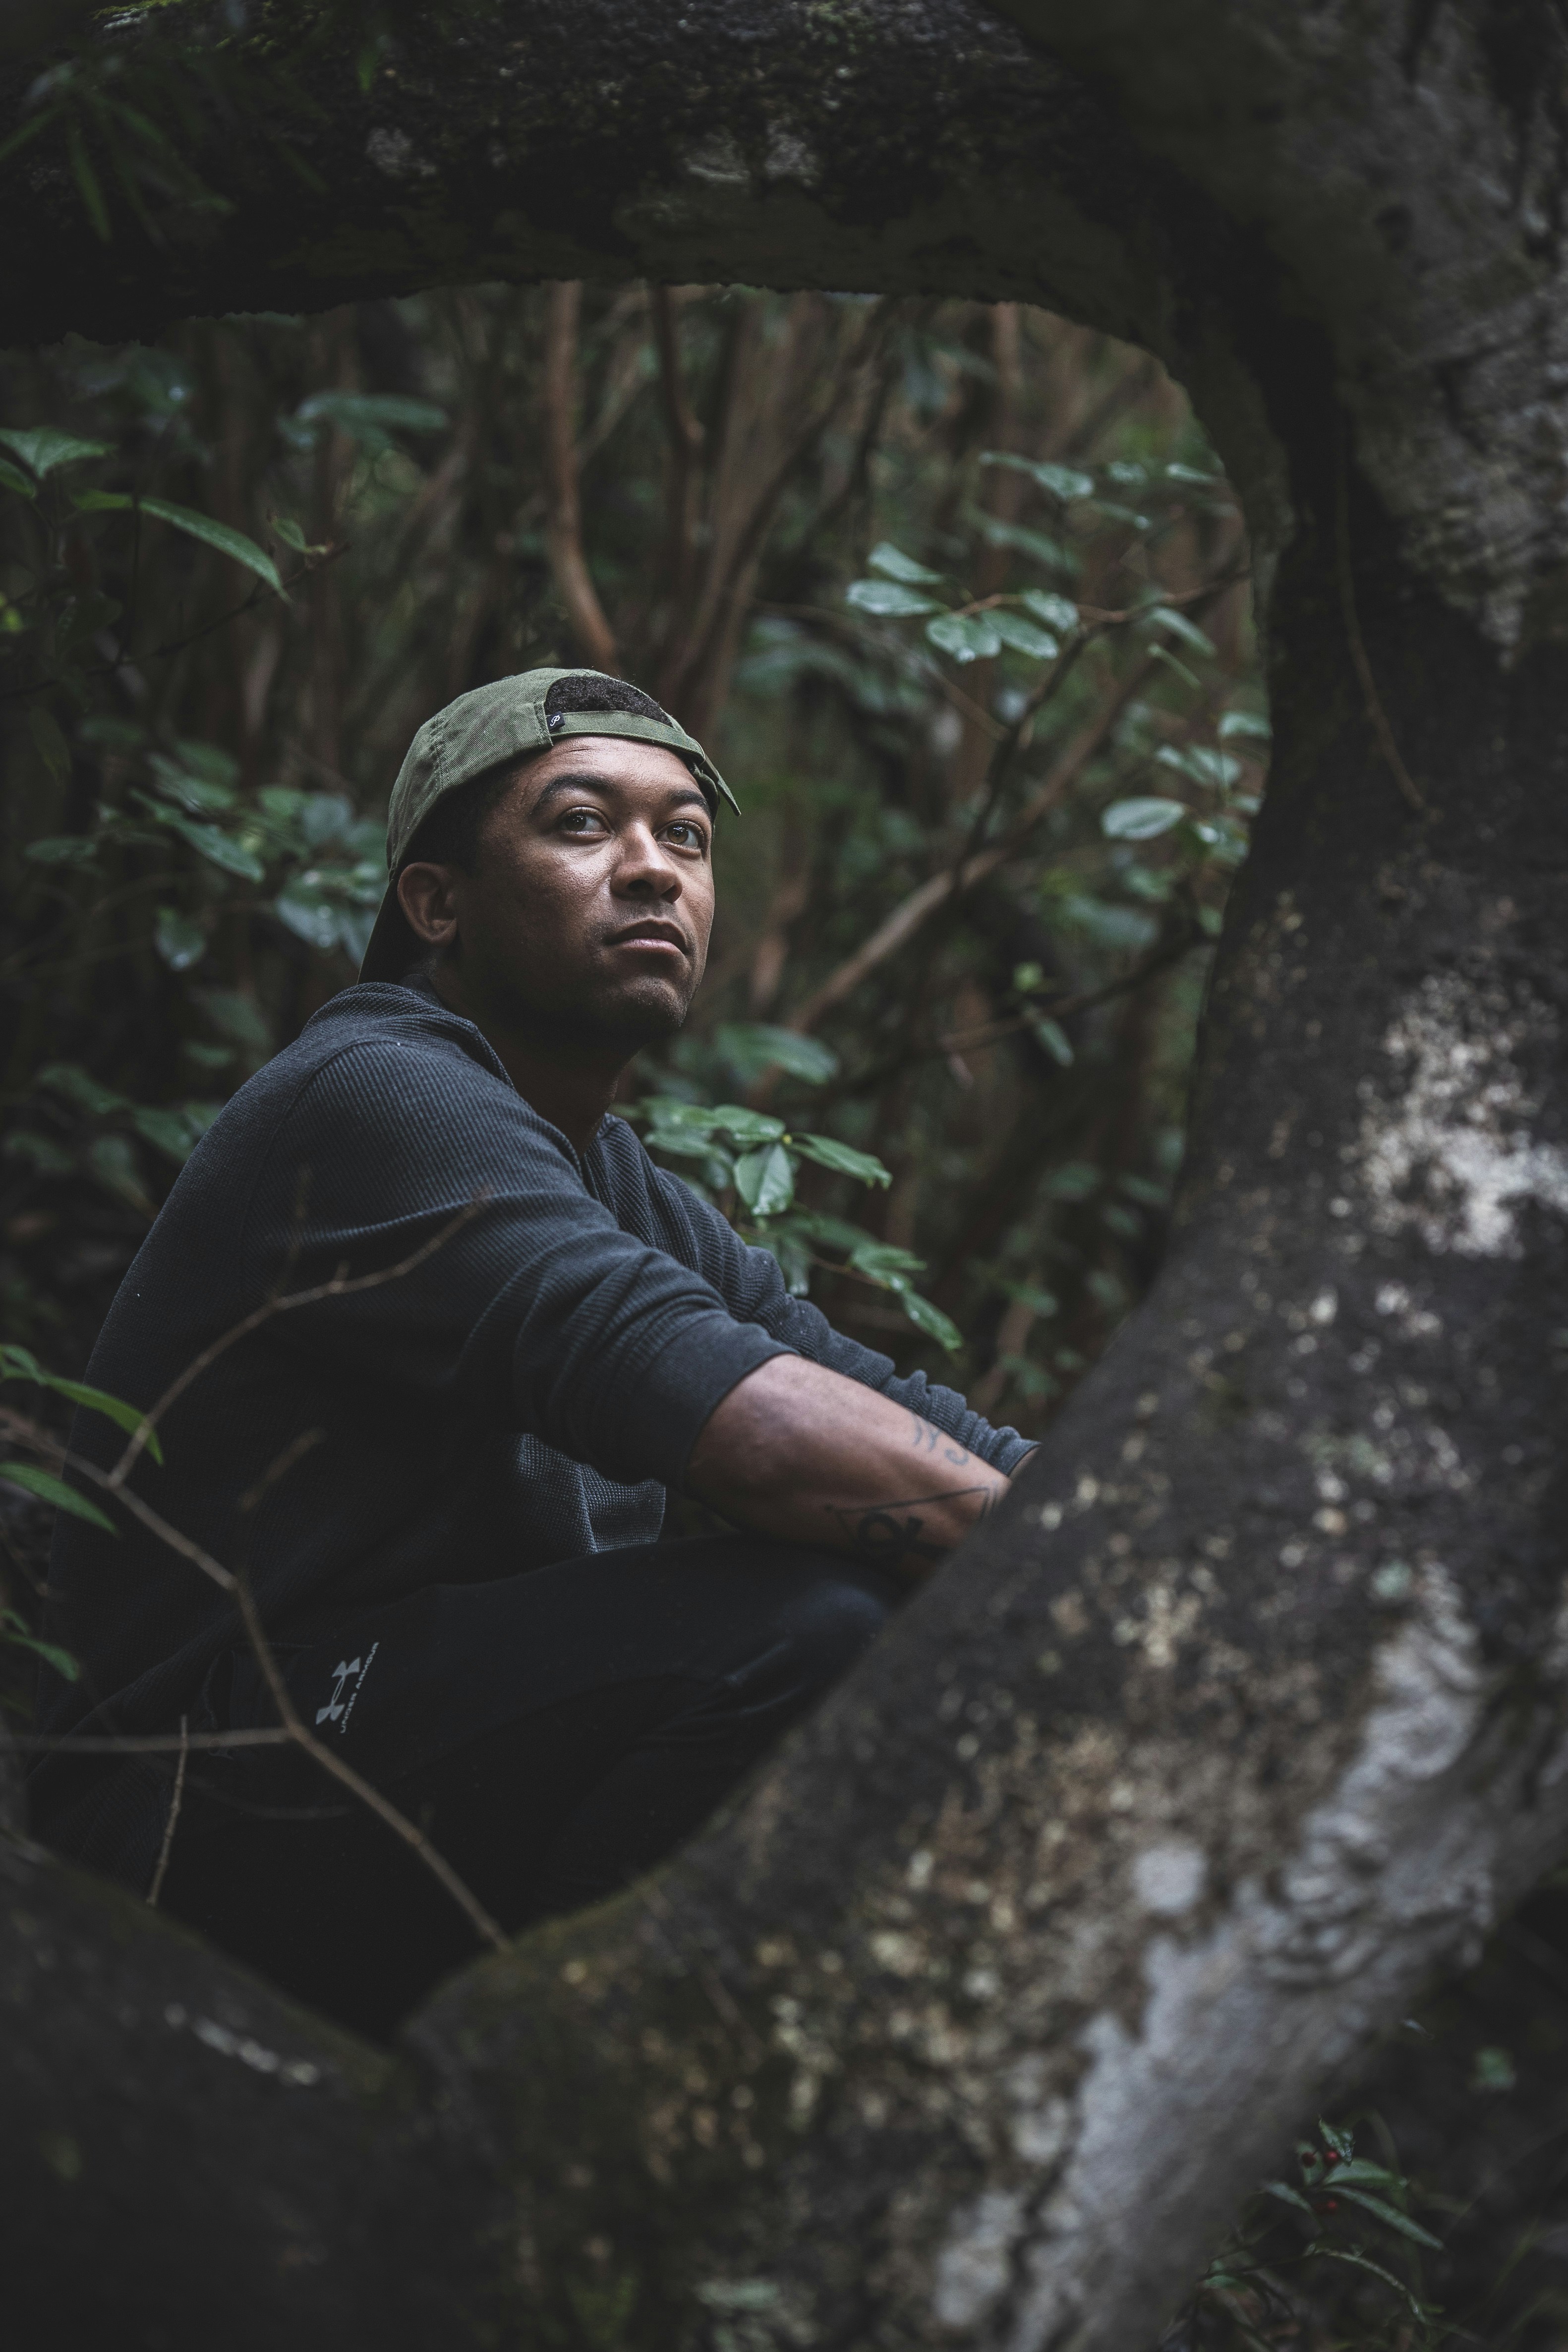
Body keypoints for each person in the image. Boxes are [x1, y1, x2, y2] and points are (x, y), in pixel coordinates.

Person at [31, 668, 1031, 2036]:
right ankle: (523, 2089)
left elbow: (870, 1400)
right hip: (191, 1801)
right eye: (581, 823)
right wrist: (1089, 1590)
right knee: (810, 1625)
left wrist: (1157, 1542)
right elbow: (766, 1437)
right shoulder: (378, 1096)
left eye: (684, 835)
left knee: (873, 1581)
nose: (650, 870)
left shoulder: (612, 1176)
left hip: (387, 1767)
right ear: (435, 904)